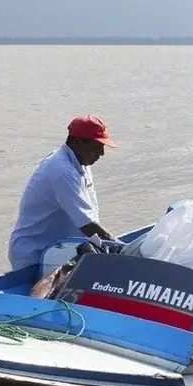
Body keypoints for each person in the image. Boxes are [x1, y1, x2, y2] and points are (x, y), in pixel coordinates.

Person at [8, 115, 120, 271]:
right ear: (77, 143)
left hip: (60, 251)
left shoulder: (81, 162)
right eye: (97, 147)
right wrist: (121, 248)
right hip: (36, 255)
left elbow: (92, 213)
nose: (101, 153)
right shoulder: (62, 171)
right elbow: (87, 225)